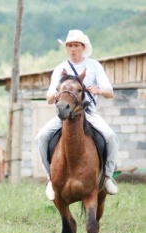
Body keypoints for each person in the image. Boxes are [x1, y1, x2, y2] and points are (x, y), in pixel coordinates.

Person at [36, 29, 119, 201]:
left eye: (76, 45)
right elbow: (50, 97)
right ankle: (50, 178)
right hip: (64, 115)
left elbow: (110, 92)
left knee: (110, 136)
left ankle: (107, 177)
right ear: (66, 48)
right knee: (41, 137)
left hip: (88, 114)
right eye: (70, 46)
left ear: (83, 47)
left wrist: (99, 90)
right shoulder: (60, 69)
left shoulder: (94, 66)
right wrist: (54, 96)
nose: (73, 49)